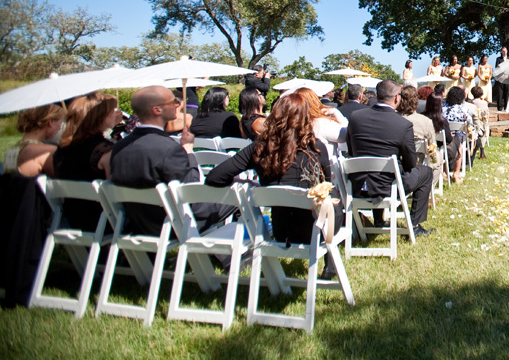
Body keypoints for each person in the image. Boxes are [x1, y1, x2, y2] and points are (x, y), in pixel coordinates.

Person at [206, 94, 340, 257]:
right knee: (332, 195)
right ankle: (330, 261)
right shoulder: (316, 148)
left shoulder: (259, 148)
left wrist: (246, 185)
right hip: (316, 232)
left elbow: (214, 177)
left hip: (280, 232)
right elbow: (327, 183)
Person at [111, 86, 235, 235]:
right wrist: (189, 151)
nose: (178, 104)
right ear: (157, 110)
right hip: (175, 223)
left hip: (139, 223)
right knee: (239, 191)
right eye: (173, 101)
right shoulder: (168, 148)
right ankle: (234, 253)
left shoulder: (119, 146)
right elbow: (192, 190)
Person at [346, 80, 434, 235]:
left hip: (358, 184)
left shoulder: (355, 117)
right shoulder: (402, 124)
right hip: (388, 187)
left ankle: (379, 220)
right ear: (396, 98)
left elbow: (351, 150)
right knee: (426, 172)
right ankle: (414, 226)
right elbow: (411, 163)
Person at [52, 93, 120, 230]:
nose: (116, 114)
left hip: (72, 218)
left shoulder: (63, 149)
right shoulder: (104, 151)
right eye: (112, 111)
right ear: (100, 117)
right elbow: (116, 197)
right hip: (102, 221)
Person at [3, 103, 65, 177]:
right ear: (51, 122)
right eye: (60, 123)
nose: (60, 128)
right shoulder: (46, 152)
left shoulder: (10, 151)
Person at [398, 86, 442, 187]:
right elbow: (432, 146)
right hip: (418, 165)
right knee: (437, 157)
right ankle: (428, 191)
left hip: (397, 165)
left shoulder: (393, 119)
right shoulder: (425, 121)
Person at [424, 92, 460, 183]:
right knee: (457, 140)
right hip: (438, 148)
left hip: (423, 148)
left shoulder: (422, 117)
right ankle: (456, 172)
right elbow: (448, 139)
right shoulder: (442, 120)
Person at [469, 86, 489, 158]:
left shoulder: (470, 102)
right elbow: (486, 112)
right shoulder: (484, 103)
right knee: (484, 130)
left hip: (472, 122)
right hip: (481, 121)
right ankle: (482, 150)